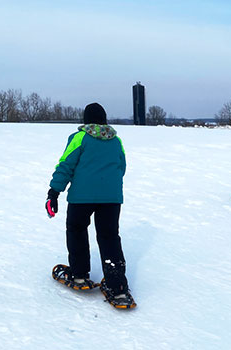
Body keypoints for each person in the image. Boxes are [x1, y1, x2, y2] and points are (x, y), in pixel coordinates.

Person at [46, 102, 135, 308]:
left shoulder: (80, 137)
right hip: (111, 199)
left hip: (81, 197)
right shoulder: (116, 140)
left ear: (86, 119)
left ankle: (79, 274)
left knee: (76, 230)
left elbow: (66, 165)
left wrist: (54, 191)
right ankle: (118, 288)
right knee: (109, 237)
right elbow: (121, 167)